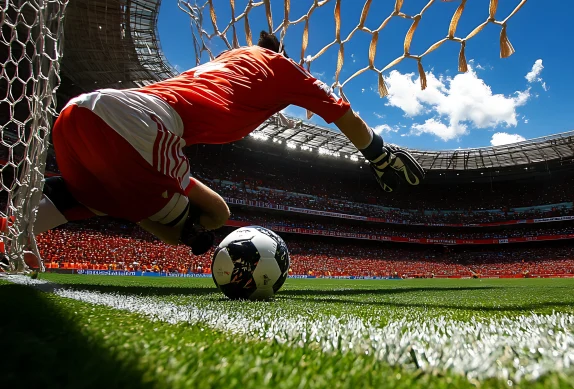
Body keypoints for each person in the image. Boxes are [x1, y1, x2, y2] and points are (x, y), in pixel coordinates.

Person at [28, 31, 424, 264]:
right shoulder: (284, 69)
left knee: (89, 197)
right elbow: (342, 113)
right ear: (281, 54)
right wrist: (377, 153)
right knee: (209, 218)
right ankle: (181, 230)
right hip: (141, 126)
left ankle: (13, 233)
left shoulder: (231, 59)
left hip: (81, 112)